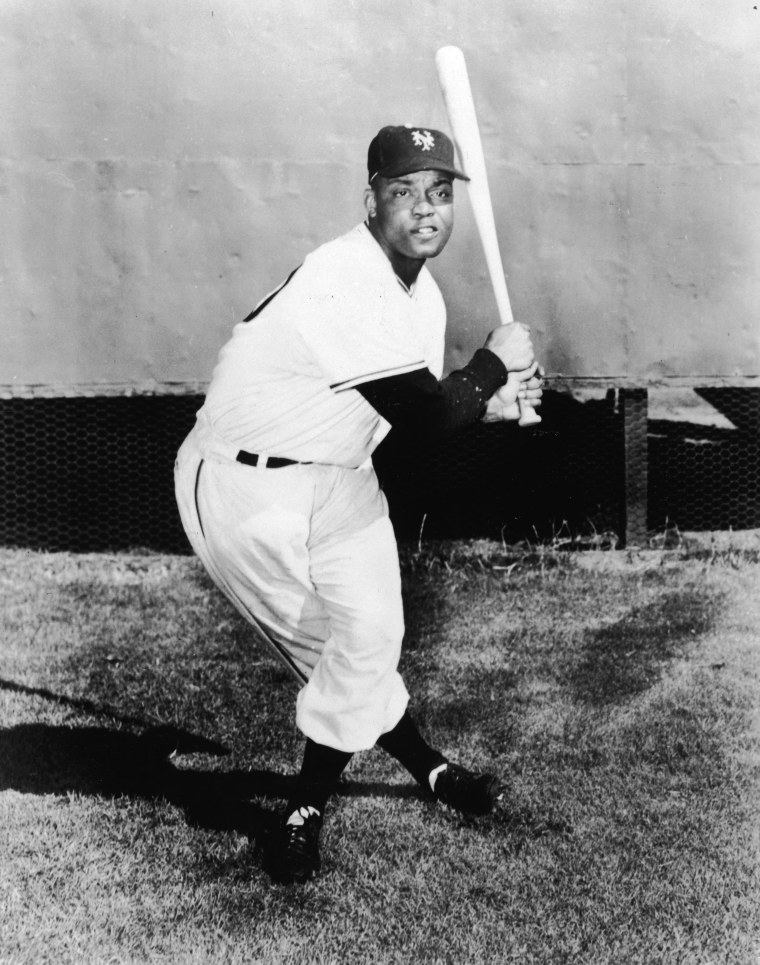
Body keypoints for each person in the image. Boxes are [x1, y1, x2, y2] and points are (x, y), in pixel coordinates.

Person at [174, 125, 542, 885]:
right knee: (334, 654)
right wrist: (494, 364)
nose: (425, 210)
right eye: (403, 192)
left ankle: (308, 806)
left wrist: (493, 401)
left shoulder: (422, 294)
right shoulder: (342, 274)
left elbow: (411, 418)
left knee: (371, 639)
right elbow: (434, 416)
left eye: (439, 194)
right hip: (244, 487)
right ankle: (428, 772)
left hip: (339, 476)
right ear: (369, 198)